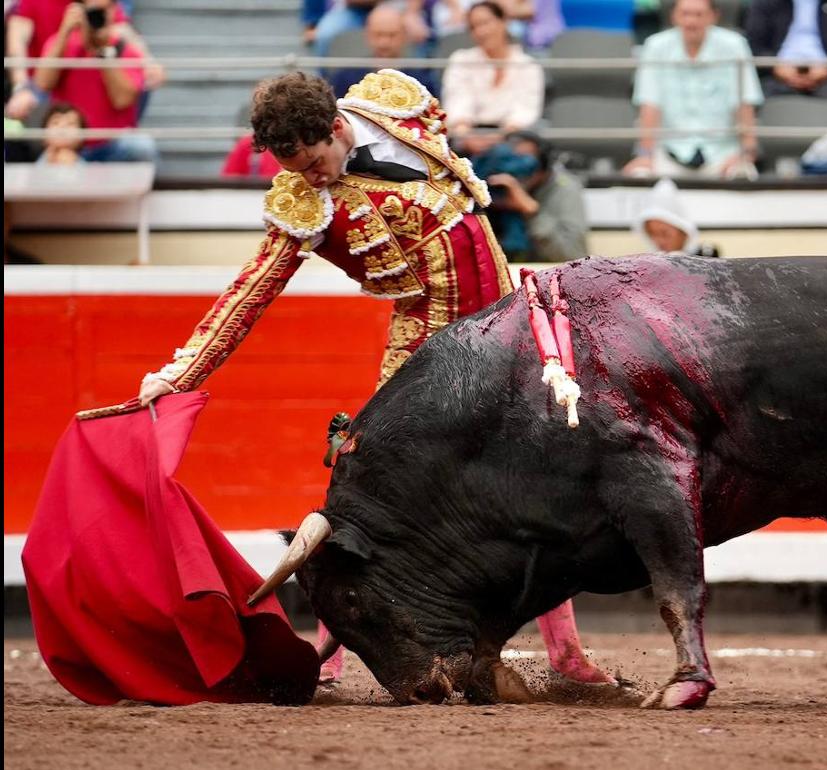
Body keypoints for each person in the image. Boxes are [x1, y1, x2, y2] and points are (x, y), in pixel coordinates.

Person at [134, 70, 609, 688]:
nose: (311, 178)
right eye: (296, 169)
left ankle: (567, 657)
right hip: (427, 344)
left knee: (535, 475)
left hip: (504, 319)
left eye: (315, 162)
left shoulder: (393, 105)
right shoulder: (305, 205)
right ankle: (331, 656)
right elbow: (251, 291)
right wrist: (180, 372)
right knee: (378, 493)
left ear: (337, 127)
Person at [626, 0, 763, 180]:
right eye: (685, 14)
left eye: (699, 14)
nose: (691, 21)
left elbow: (745, 103)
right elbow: (649, 105)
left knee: (744, 175)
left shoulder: (734, 45)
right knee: (639, 175)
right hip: (669, 153)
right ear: (673, 16)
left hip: (723, 154)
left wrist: (746, 154)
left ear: (714, 16)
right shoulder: (655, 46)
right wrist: (645, 155)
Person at [31, 0, 156, 162]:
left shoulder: (127, 49)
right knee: (49, 162)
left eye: (103, 10)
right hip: (69, 145)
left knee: (141, 147)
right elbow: (42, 84)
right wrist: (65, 31)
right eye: (92, 11)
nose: (97, 16)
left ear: (113, 12)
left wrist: (104, 51)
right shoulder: (61, 43)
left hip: (111, 146)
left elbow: (122, 100)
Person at [6, 0, 164, 122]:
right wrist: (21, 86)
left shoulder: (99, 5)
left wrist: (148, 61)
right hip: (47, 82)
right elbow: (17, 42)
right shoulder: (35, 5)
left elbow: (123, 29)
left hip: (94, 79)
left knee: (139, 78)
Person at [441, 1, 544, 156]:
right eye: (474, 27)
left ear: (504, 22)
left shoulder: (528, 65)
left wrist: (501, 137)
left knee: (517, 151)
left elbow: (525, 111)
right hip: (468, 135)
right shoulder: (461, 59)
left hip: (513, 136)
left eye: (485, 23)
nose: (481, 32)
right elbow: (458, 104)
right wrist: (467, 137)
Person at [481, 130, 589, 262]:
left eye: (525, 160)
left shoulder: (565, 187)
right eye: (507, 159)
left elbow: (572, 256)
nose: (514, 169)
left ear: (544, 163)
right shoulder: (486, 186)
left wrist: (531, 211)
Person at [743, 0, 827, 98]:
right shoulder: (766, 3)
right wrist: (775, 67)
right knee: (759, 94)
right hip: (774, 75)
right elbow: (754, 43)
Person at [326, 3, 435, 99]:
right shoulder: (344, 78)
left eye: (392, 35)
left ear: (404, 36)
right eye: (378, 34)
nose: (384, 42)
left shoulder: (420, 81)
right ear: (367, 34)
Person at [634, 177, 719, 257]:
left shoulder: (706, 257)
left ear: (682, 232)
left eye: (665, 234)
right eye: (653, 234)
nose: (659, 241)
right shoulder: (647, 266)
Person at [36, 100, 85, 165]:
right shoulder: (36, 166)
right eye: (56, 123)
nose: (63, 127)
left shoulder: (88, 168)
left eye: (70, 123)